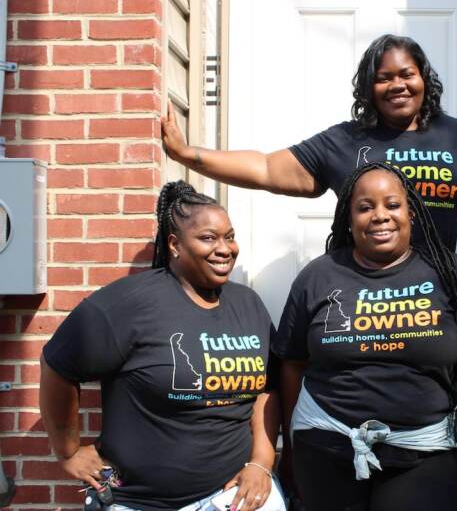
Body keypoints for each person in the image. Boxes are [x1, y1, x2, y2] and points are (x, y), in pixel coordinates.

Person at [162, 33, 457, 507]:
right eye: (383, 77)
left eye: (406, 74)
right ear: (368, 87)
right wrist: (193, 156)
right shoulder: (347, 141)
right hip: (358, 306)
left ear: (425, 79)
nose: (397, 85)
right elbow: (270, 168)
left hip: (437, 317)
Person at [272, 162, 457, 511]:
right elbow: (293, 365)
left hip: (426, 447)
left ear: (411, 213)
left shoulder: (454, 274)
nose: (380, 216)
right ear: (348, 217)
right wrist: (292, 444)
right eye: (365, 207)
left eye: (392, 204)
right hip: (327, 443)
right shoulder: (319, 276)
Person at [39, 182, 280, 511]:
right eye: (208, 238)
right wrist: (67, 451)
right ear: (174, 244)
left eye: (229, 236)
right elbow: (58, 365)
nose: (225, 249)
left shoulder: (248, 304)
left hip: (232, 494)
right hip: (137, 500)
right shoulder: (128, 304)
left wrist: (260, 463)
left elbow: (267, 389)